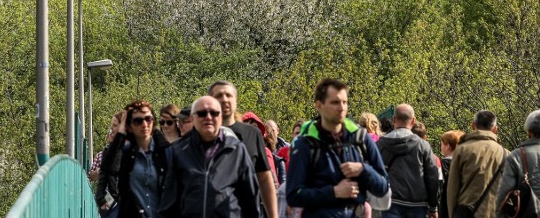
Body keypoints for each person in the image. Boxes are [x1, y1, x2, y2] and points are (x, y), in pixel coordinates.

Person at [285, 78, 389, 218]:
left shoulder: (360, 138)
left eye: (344, 102)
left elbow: (383, 187)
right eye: (335, 102)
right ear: (319, 105)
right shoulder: (306, 143)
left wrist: (364, 170)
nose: (342, 108)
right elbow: (293, 195)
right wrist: (334, 192)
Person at [158, 96, 263, 218]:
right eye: (202, 113)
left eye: (214, 113)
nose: (208, 117)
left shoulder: (236, 149)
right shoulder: (179, 151)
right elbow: (168, 204)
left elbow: (251, 200)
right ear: (193, 118)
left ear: (220, 117)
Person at [210, 81, 279, 218]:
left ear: (235, 100)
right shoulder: (203, 135)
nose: (224, 99)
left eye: (228, 95)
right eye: (219, 95)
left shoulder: (252, 134)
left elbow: (265, 178)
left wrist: (273, 216)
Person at [96, 100, 171, 218]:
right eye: (138, 121)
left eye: (148, 119)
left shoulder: (162, 152)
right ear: (129, 126)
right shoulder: (126, 153)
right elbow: (108, 168)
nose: (144, 124)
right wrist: (121, 133)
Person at [377, 104, 439, 218]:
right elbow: (432, 176)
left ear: (394, 119)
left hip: (390, 202)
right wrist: (433, 206)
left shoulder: (381, 144)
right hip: (417, 204)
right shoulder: (423, 146)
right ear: (413, 121)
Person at [447, 110, 508, 218]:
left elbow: (453, 188)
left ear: (473, 125)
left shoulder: (462, 150)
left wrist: (453, 214)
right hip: (494, 213)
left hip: (467, 212)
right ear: (495, 129)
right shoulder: (505, 153)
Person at [439, 131, 465, 218]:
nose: (441, 147)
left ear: (448, 146)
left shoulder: (442, 164)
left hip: (444, 207)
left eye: (442, 144)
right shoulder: (465, 165)